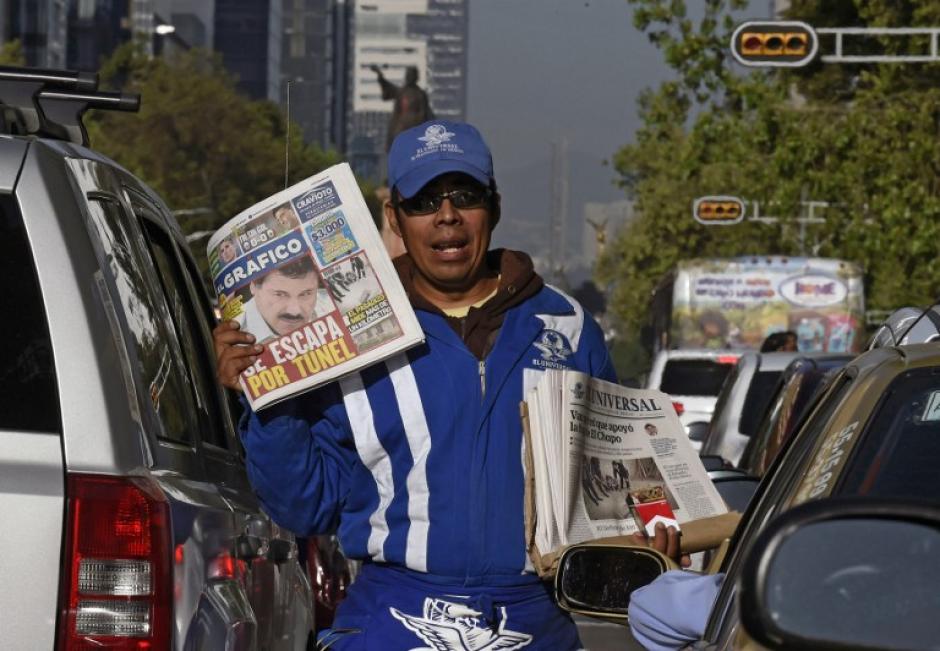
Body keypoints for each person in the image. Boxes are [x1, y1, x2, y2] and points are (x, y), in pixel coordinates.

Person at [213, 120, 629, 650]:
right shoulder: (344, 335)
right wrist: (267, 402)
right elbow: (304, 508)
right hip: (390, 616)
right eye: (425, 200)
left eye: (465, 195)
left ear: (494, 207)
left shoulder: (566, 325)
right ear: (395, 218)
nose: (447, 215)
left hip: (533, 621)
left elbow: (615, 491)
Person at [238, 255, 323, 341]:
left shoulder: (333, 304)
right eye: (280, 294)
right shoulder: (236, 330)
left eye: (305, 294)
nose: (294, 311)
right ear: (253, 287)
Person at [370, 65, 435, 152]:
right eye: (409, 74)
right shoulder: (401, 92)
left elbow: (425, 113)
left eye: (412, 74)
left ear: (416, 77)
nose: (410, 77)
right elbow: (388, 88)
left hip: (415, 130)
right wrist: (380, 76)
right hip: (401, 129)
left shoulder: (420, 94)